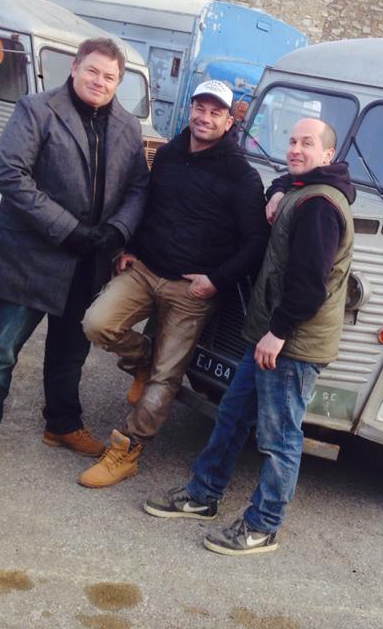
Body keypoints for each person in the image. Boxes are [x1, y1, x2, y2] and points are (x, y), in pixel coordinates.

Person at [143, 117, 355, 556]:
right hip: (268, 335)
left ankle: (263, 526)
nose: (295, 149)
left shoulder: (319, 206)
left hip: (290, 345)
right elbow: (289, 179)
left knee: (279, 438)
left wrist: (278, 333)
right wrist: (278, 188)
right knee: (233, 415)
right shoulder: (304, 188)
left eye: (307, 143)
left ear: (328, 154)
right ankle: (203, 495)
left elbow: (308, 286)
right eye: (292, 141)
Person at [0, 37, 149, 474]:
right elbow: (11, 174)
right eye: (92, 71)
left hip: (87, 263)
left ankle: (62, 424)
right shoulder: (36, 110)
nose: (100, 81)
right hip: (29, 258)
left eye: (110, 76)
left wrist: (118, 230)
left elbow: (138, 187)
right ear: (74, 67)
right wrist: (67, 229)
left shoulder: (128, 128)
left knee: (70, 353)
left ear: (118, 82)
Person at [77, 80, 269, 488]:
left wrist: (216, 280)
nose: (205, 117)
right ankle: (144, 359)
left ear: (229, 121)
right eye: (200, 108)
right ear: (190, 110)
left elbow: (256, 242)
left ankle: (127, 449)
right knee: (97, 323)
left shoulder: (242, 176)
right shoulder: (167, 154)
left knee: (165, 378)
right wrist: (130, 247)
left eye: (215, 112)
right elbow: (148, 206)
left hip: (191, 290)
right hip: (146, 269)